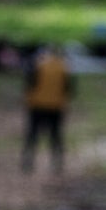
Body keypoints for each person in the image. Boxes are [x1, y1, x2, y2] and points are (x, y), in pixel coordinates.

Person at [21, 44, 74, 173]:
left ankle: (27, 162)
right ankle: (58, 164)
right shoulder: (64, 66)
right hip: (56, 106)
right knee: (56, 136)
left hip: (37, 104)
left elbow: (29, 84)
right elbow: (69, 88)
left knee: (32, 134)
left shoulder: (37, 64)